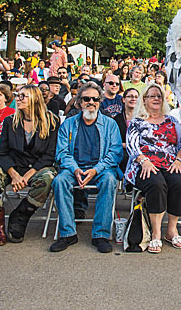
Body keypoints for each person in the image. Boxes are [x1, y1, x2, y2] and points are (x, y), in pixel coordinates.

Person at [0, 85, 58, 245]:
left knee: (48, 178)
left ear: (34, 99)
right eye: (18, 95)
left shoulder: (51, 121)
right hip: (12, 165)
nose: (18, 99)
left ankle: (21, 215)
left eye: (23, 96)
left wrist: (26, 176)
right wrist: (14, 175)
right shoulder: (10, 121)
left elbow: (49, 155)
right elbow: (2, 153)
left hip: (37, 167)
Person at [50, 83, 123, 253]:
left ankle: (101, 235)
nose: (91, 102)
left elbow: (115, 153)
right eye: (86, 99)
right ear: (79, 102)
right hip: (74, 168)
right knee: (59, 181)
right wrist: (75, 169)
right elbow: (61, 153)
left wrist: (96, 169)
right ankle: (68, 233)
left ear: (100, 102)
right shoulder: (68, 124)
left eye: (95, 99)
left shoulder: (110, 124)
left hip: (101, 169)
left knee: (109, 180)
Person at [124, 84, 181, 253]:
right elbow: (131, 146)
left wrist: (178, 160)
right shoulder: (137, 122)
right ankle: (156, 232)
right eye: (152, 96)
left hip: (170, 163)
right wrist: (144, 160)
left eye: (159, 96)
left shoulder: (172, 121)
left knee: (180, 183)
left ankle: (171, 230)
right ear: (144, 100)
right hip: (144, 164)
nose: (156, 99)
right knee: (156, 184)